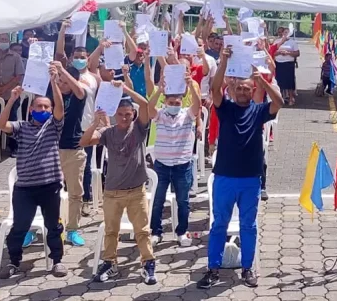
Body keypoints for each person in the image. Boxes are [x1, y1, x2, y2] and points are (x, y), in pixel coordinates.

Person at [197, 45, 283, 289]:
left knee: (248, 225)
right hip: (224, 176)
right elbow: (214, 90)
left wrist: (262, 81)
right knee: (219, 225)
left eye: (247, 88)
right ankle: (213, 269)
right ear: (232, 90)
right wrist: (223, 61)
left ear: (252, 90)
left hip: (249, 179)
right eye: (239, 88)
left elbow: (279, 103)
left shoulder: (258, 111)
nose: (243, 92)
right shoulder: (225, 109)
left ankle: (247, 268)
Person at [80, 79, 157, 285]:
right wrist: (96, 122)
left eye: (128, 114)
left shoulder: (140, 129)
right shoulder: (108, 132)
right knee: (111, 231)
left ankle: (148, 263)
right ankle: (110, 263)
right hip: (112, 192)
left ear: (132, 115)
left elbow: (145, 105)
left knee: (142, 231)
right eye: (121, 114)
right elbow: (84, 141)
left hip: (136, 191)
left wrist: (126, 89)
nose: (124, 117)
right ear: (115, 114)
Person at [0, 77, 67, 279]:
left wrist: (54, 83)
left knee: (53, 225)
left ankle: (57, 261)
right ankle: (14, 262)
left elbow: (60, 107)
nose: (43, 109)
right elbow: (1, 125)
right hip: (25, 188)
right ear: (30, 110)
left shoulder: (54, 126)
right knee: (20, 226)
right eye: (39, 106)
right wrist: (11, 99)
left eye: (46, 106)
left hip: (50, 186)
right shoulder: (21, 127)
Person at [148, 71, 201, 246]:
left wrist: (191, 85)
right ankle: (156, 232)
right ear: (165, 102)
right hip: (162, 165)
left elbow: (197, 105)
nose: (174, 105)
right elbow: (149, 109)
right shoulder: (160, 115)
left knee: (183, 201)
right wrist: (159, 90)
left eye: (177, 103)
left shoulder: (187, 114)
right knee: (157, 200)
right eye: (171, 103)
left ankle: (182, 231)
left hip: (182, 165)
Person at [49, 61, 89, 247]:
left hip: (73, 149)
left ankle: (72, 229)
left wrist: (63, 70)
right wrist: (53, 77)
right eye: (60, 81)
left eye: (65, 82)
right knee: (46, 192)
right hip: (51, 150)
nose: (62, 85)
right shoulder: (51, 94)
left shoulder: (78, 96)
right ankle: (43, 227)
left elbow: (79, 90)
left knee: (75, 192)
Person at [271, 27, 299, 106]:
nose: (284, 34)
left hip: (289, 64)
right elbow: (272, 52)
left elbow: (297, 53)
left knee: (289, 82)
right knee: (279, 82)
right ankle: (280, 98)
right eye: (283, 32)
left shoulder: (292, 42)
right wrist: (279, 52)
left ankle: (291, 98)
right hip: (279, 63)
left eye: (287, 33)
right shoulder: (277, 41)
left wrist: (288, 53)